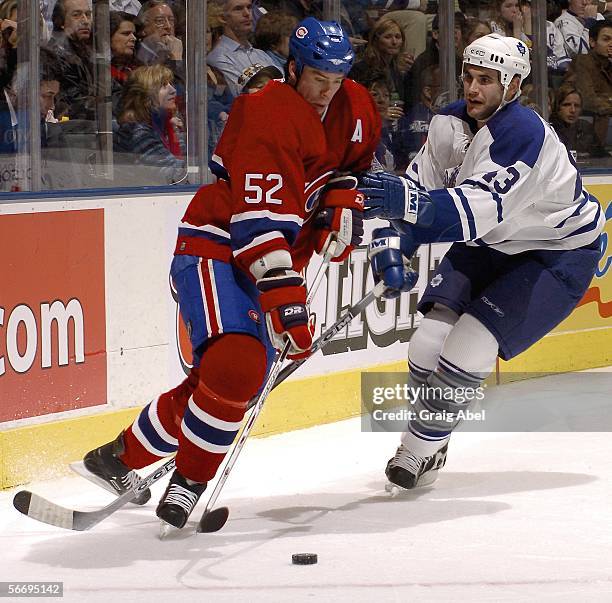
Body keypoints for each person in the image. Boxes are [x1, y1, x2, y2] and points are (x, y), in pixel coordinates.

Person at [82, 17, 380, 530]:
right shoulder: (268, 111)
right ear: (293, 68)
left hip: (278, 258)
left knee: (222, 381)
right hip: (218, 245)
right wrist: (287, 304)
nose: (326, 93)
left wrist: (340, 200)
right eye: (316, 80)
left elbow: (355, 166)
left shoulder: (356, 105)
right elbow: (258, 226)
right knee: (239, 366)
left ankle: (118, 459)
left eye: (335, 82)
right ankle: (190, 481)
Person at [357, 33, 604, 490]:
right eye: (470, 77)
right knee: (427, 341)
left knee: (469, 343)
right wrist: (392, 242)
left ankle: (416, 450)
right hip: (492, 242)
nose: (473, 89)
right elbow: (420, 190)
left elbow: (471, 210)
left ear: (512, 86)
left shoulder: (524, 135)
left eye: (487, 80)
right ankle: (433, 438)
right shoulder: (448, 123)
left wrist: (408, 211)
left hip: (555, 254)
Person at [114, 64, 186, 184]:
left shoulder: (165, 126)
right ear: (145, 96)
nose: (173, 90)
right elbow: (177, 174)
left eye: (171, 84)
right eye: (163, 86)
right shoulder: (136, 132)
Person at [207, 0, 277, 97]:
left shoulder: (261, 54)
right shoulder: (218, 57)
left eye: (249, 7)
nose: (247, 13)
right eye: (238, 9)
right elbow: (244, 95)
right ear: (222, 17)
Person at [563, 18, 612, 146]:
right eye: (606, 39)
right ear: (592, 42)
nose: (611, 44)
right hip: (589, 124)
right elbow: (588, 100)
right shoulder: (582, 62)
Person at [46, 0, 96, 120]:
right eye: (76, 15)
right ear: (61, 22)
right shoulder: (58, 54)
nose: (85, 21)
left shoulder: (84, 49)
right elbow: (75, 103)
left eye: (88, 15)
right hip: (70, 126)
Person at [550, 83, 608, 156]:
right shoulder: (550, 129)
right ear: (557, 107)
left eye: (577, 106)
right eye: (567, 105)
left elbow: (602, 156)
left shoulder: (585, 127)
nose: (573, 110)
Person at [110, 11, 139, 117]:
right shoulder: (97, 71)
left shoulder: (138, 68)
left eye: (134, 34)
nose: (133, 38)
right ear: (108, 37)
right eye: (126, 34)